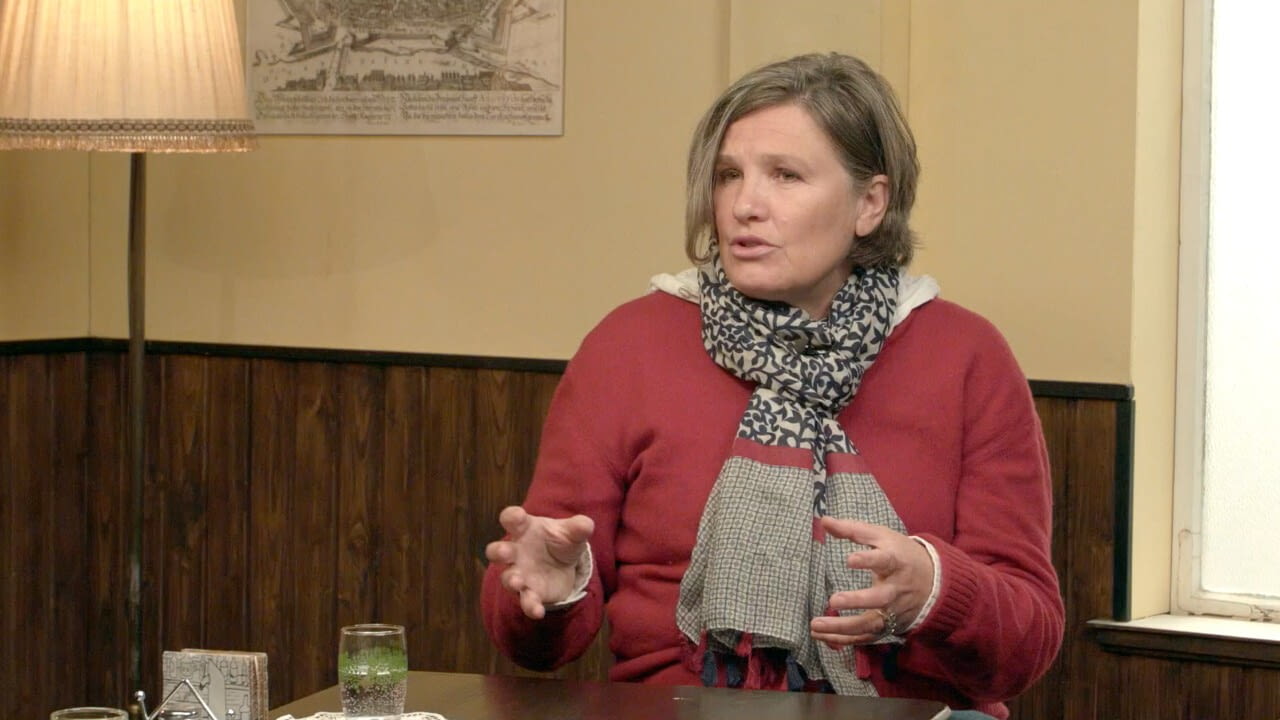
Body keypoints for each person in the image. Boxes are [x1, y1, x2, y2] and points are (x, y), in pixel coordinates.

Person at [481, 52, 1063, 720]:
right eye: (729, 175)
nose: (744, 206)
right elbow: (532, 640)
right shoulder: (628, 346)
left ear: (870, 203)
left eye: (785, 175)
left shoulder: (966, 356)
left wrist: (935, 589)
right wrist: (552, 590)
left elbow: (1026, 646)